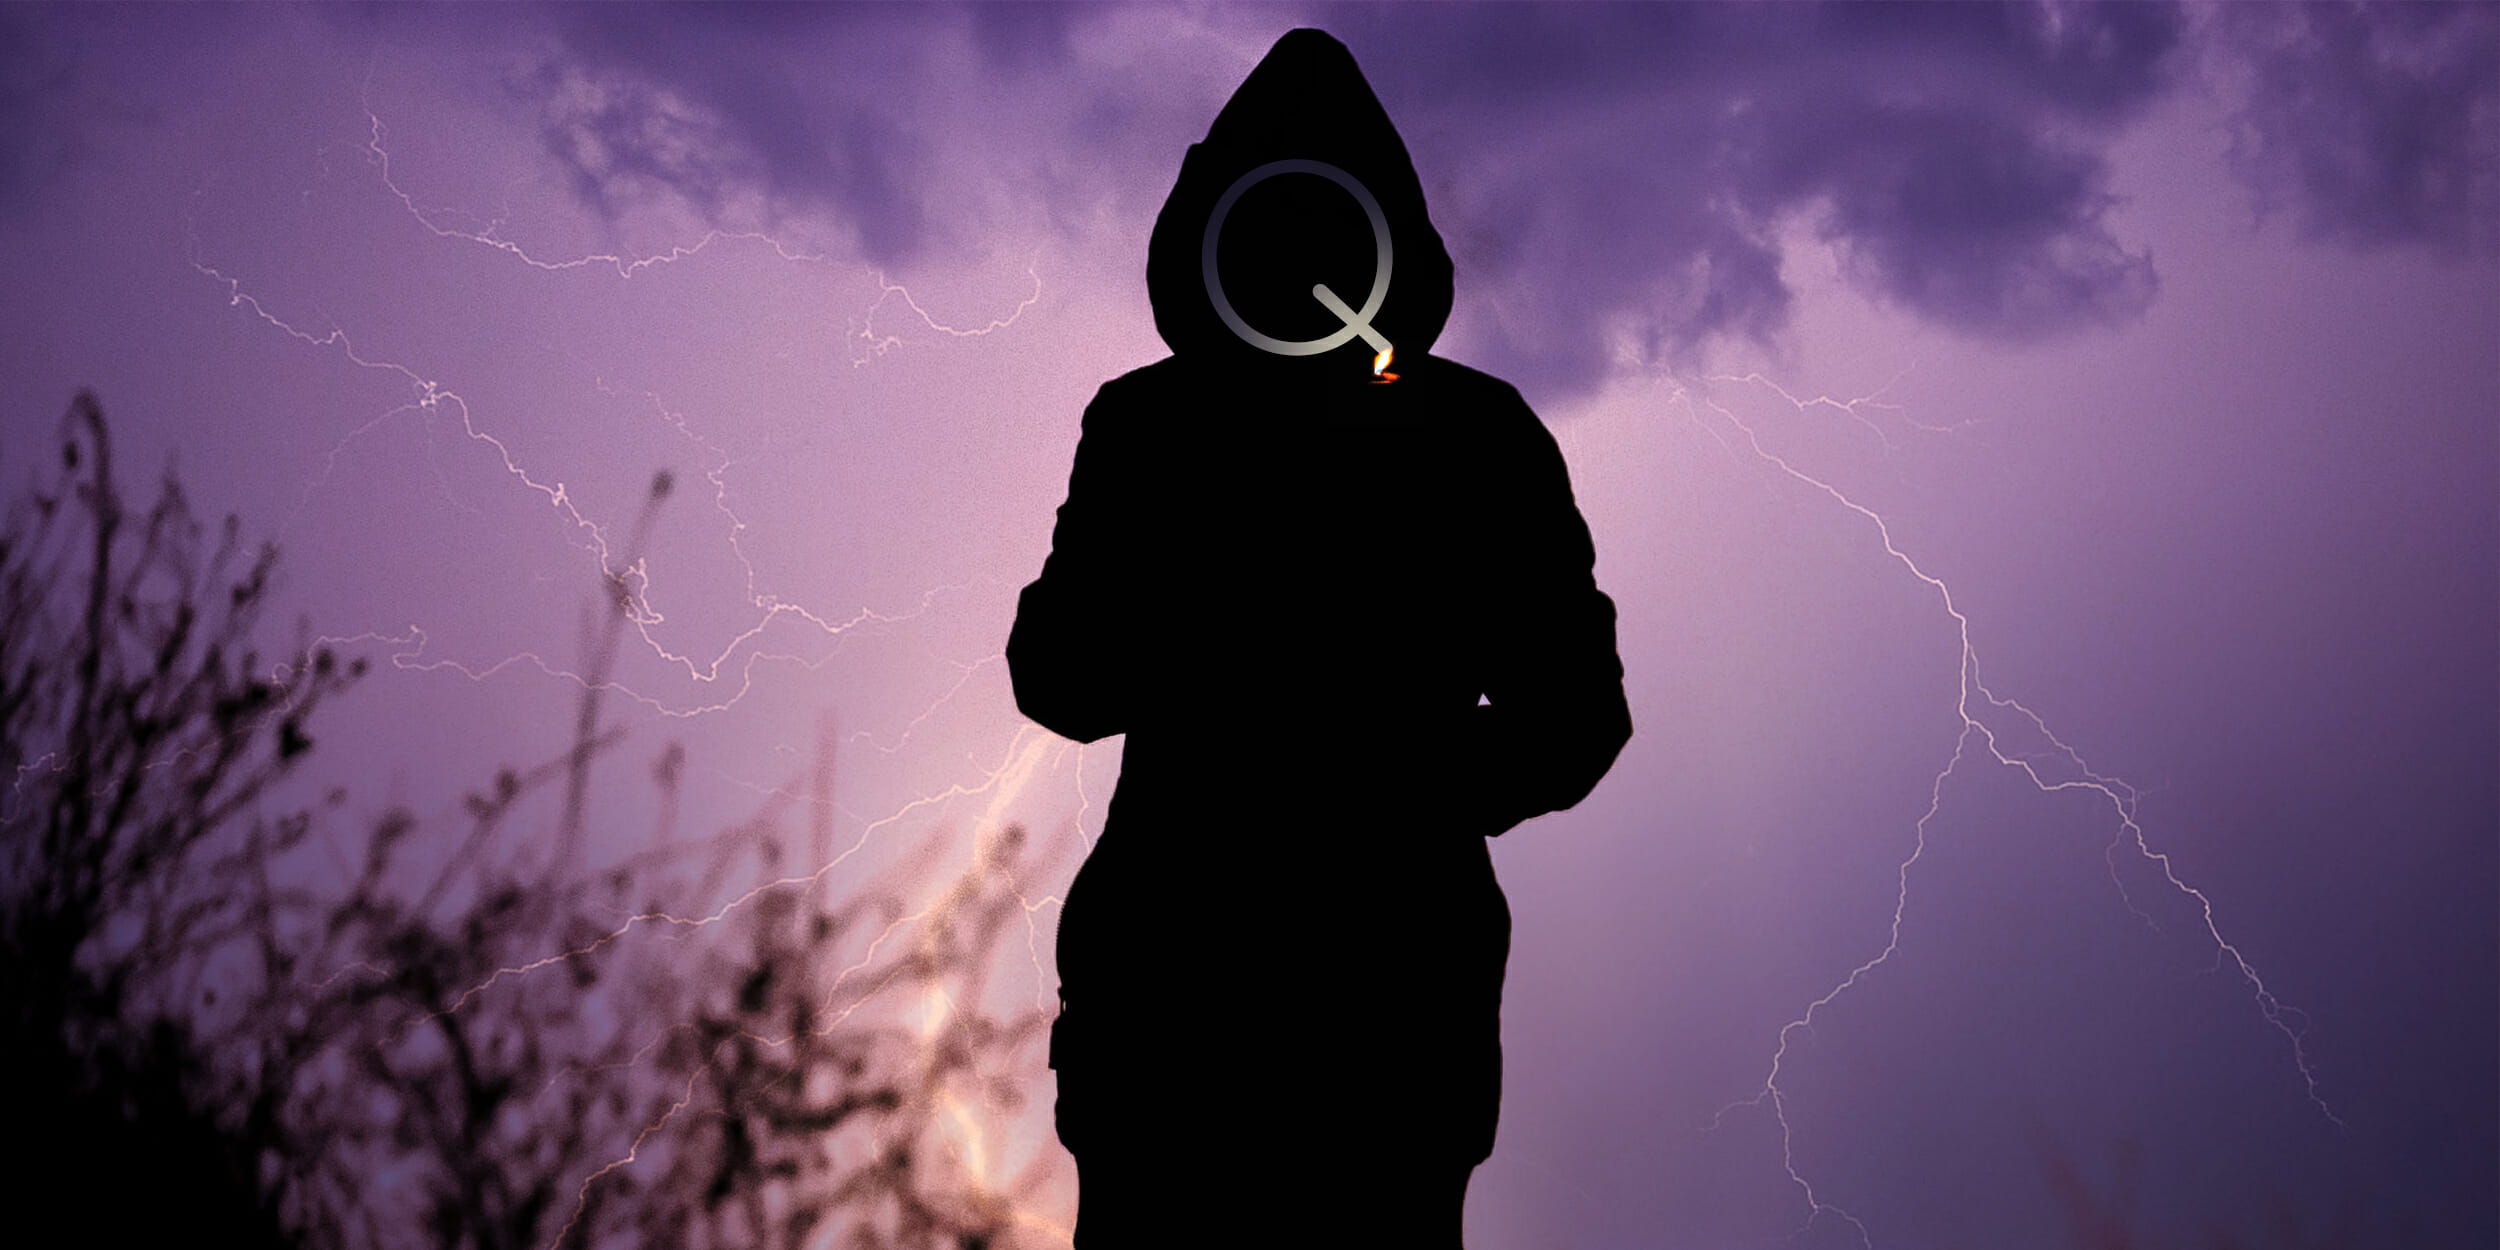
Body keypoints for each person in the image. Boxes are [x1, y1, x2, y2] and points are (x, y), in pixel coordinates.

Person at [1008, 28, 1630, 1248]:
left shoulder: (1467, 437)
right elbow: (1058, 672)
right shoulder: (1153, 429)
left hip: (1360, 1007)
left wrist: (1393, 781)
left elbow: (1575, 716)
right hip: (1202, 1004)